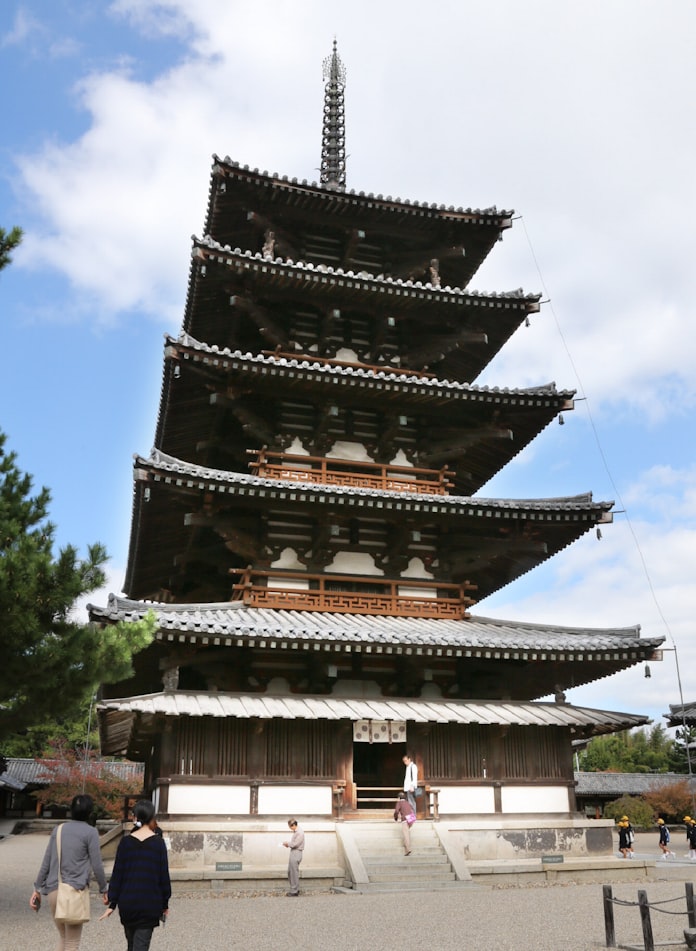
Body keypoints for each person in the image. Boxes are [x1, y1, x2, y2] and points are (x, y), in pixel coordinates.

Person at [30, 793, 109, 951]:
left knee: (63, 938)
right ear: (89, 812)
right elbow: (97, 865)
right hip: (74, 892)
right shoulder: (91, 832)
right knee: (72, 943)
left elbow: (47, 861)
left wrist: (37, 889)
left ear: (71, 810)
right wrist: (104, 889)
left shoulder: (58, 830)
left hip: (53, 890)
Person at [100, 799, 171, 950]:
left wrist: (113, 902)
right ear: (152, 817)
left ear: (135, 817)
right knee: (141, 946)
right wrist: (165, 902)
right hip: (150, 903)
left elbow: (118, 874)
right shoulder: (158, 843)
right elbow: (163, 876)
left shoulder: (125, 843)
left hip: (128, 904)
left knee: (132, 945)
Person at [282, 818, 304, 896]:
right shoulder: (297, 832)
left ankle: (294, 891)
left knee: (293, 872)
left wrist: (287, 843)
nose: (290, 828)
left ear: (294, 825)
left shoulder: (300, 832)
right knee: (290, 871)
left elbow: (295, 844)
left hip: (296, 852)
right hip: (294, 852)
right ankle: (294, 889)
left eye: (290, 827)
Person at [393, 792, 416, 856]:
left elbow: (397, 811)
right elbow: (412, 809)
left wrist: (396, 818)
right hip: (411, 819)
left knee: (406, 834)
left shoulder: (399, 803)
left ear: (398, 798)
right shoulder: (407, 802)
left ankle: (408, 849)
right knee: (407, 832)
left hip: (405, 819)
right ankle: (405, 843)